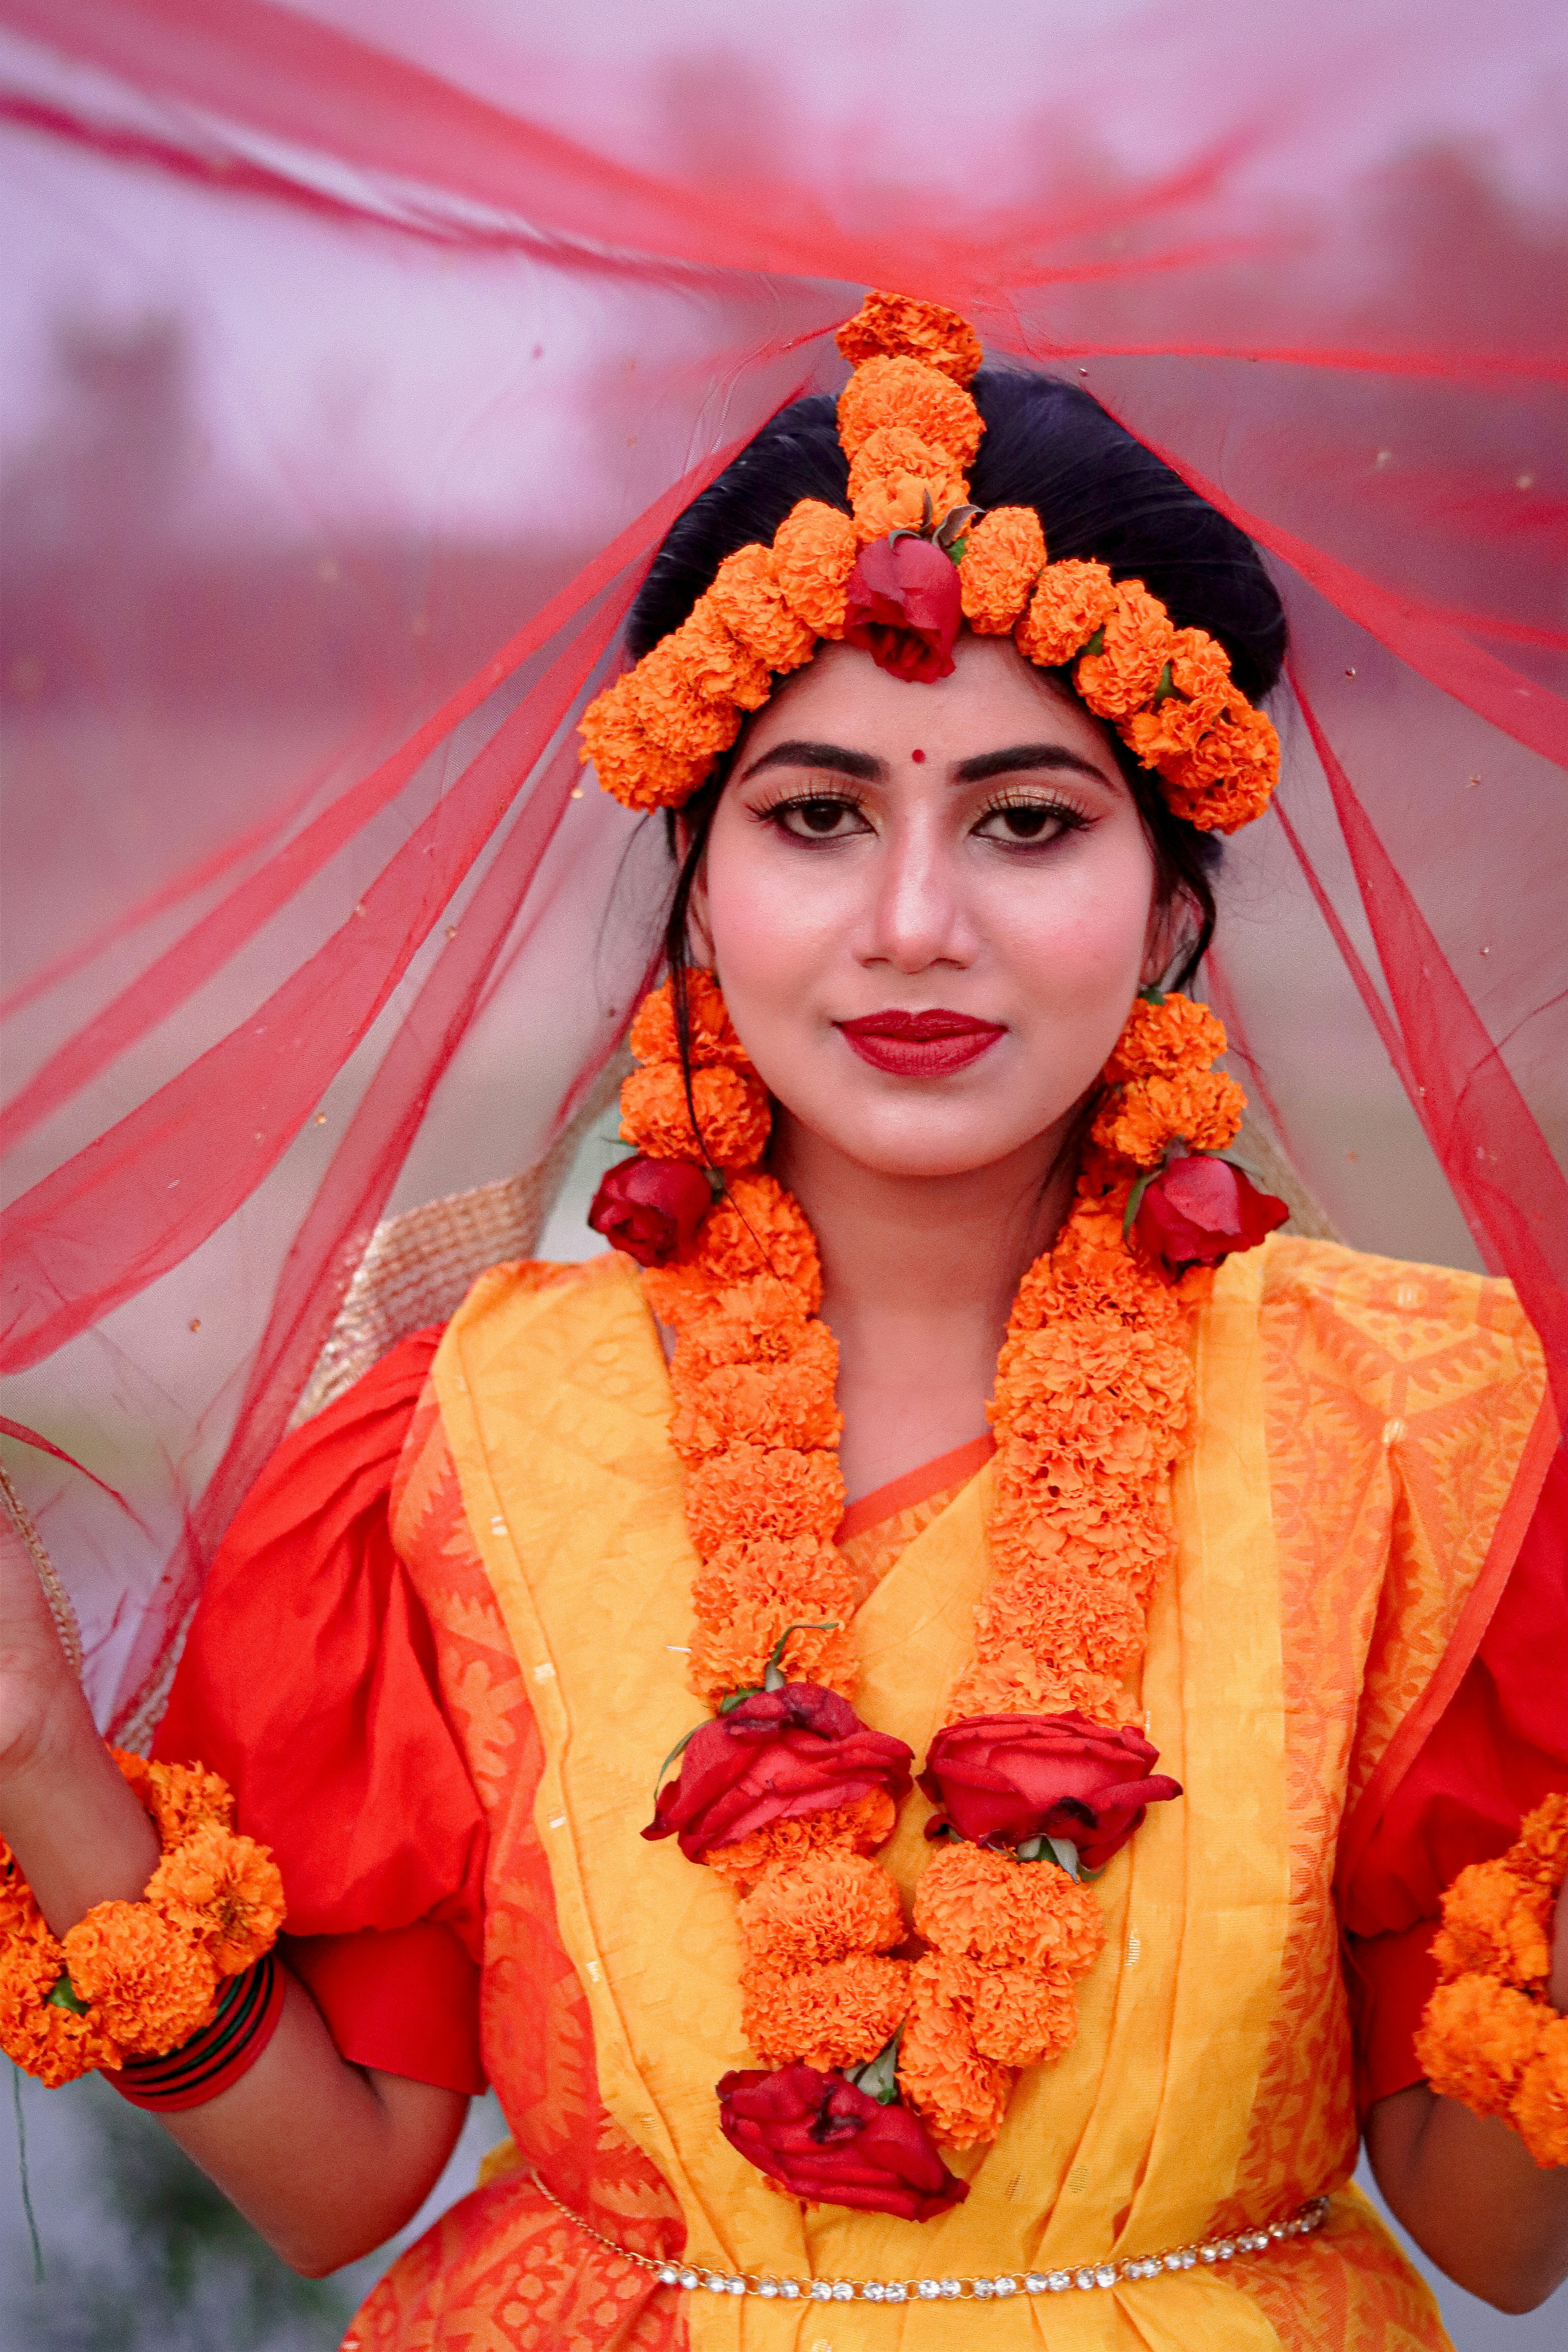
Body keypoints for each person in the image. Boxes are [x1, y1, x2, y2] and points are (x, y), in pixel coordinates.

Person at [2, 294, 1565, 2351]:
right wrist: (34, 1753)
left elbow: (1501, 2237)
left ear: (1178, 897)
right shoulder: (471, 1430)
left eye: (1029, 820)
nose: (916, 923)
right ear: (697, 869)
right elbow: (340, 2183)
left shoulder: (1412, 1429)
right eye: (818, 814)